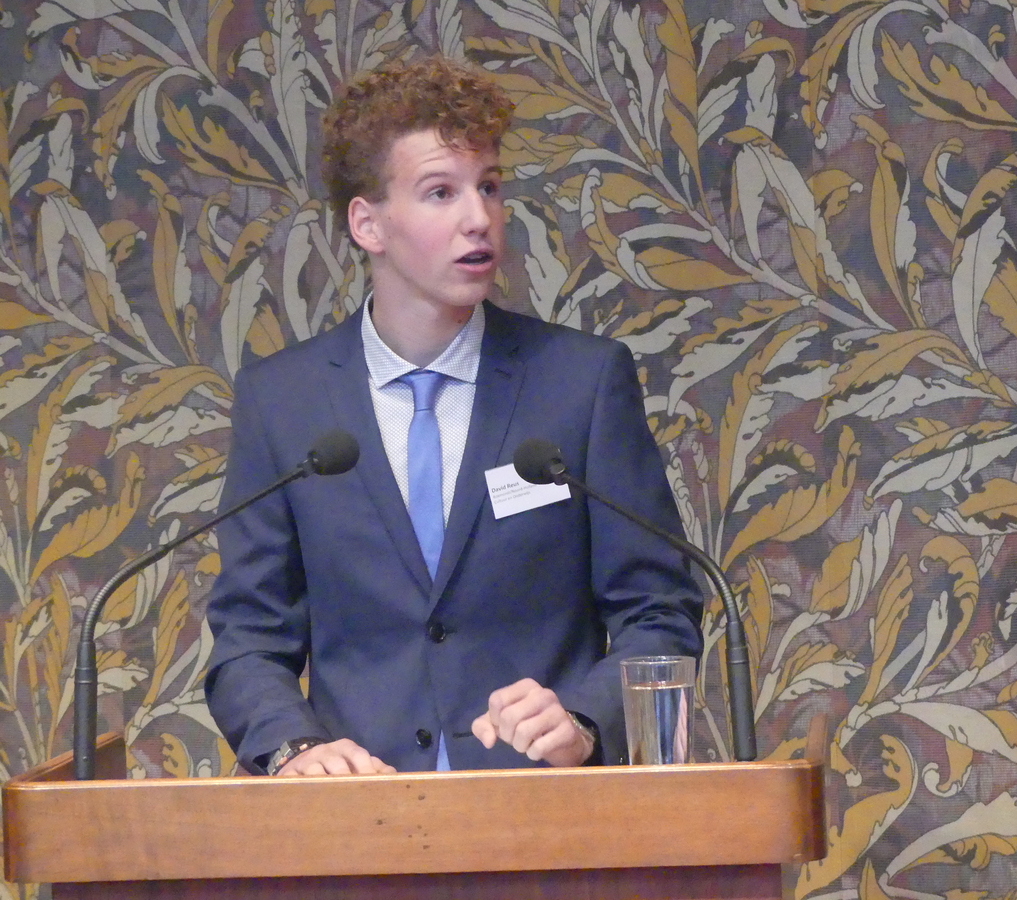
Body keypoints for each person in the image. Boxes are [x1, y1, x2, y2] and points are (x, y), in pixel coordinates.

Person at [203, 55, 703, 776]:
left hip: (546, 809)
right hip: (360, 815)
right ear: (368, 224)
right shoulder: (283, 402)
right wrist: (295, 751)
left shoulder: (581, 383)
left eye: (489, 187)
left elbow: (659, 611)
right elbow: (249, 637)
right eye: (441, 192)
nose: (480, 218)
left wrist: (584, 722)